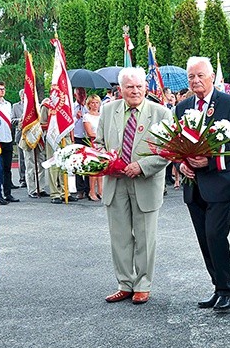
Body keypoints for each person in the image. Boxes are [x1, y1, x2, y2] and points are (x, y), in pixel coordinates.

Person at [96, 67, 172, 305]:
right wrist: (103, 158)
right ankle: (124, 283)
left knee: (145, 236)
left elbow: (169, 150)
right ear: (121, 90)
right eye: (130, 87)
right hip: (115, 181)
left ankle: (143, 284)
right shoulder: (108, 110)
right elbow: (98, 143)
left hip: (145, 182)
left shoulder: (161, 113)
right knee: (119, 236)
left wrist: (143, 165)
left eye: (139, 86)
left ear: (146, 88)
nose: (135, 91)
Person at [176, 56, 230, 313]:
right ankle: (217, 286)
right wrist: (181, 164)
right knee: (204, 239)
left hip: (220, 182)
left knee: (216, 236)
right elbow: (178, 142)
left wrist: (210, 161)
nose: (196, 81)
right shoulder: (182, 107)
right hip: (193, 184)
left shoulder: (229, 103)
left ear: (211, 77)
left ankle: (227, 290)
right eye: (191, 77)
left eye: (200, 76)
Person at [0, 81, 20, 203]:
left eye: (3, 89)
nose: (2, 91)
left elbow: (9, 120)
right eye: (0, 89)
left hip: (8, 138)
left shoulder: (8, 104)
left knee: (7, 168)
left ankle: (8, 193)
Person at [83, 94, 102, 201]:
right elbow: (90, 133)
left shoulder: (102, 115)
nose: (95, 105)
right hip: (92, 143)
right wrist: (101, 135)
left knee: (101, 169)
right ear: (89, 104)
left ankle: (100, 190)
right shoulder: (87, 116)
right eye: (93, 103)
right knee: (93, 169)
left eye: (97, 103)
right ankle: (92, 191)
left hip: (101, 144)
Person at [72, 87, 89, 200]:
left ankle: (89, 188)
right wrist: (75, 117)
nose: (82, 95)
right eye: (79, 93)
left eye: (83, 93)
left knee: (88, 163)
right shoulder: (71, 107)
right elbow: (68, 125)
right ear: (75, 95)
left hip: (88, 138)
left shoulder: (89, 106)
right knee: (78, 164)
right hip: (77, 138)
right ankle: (80, 189)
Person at [11, 90, 26, 188]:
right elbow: (12, 120)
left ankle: (32, 178)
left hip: (32, 134)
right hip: (20, 134)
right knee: (22, 158)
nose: (24, 97)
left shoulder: (34, 105)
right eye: (22, 96)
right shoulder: (15, 106)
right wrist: (19, 120)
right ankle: (22, 179)